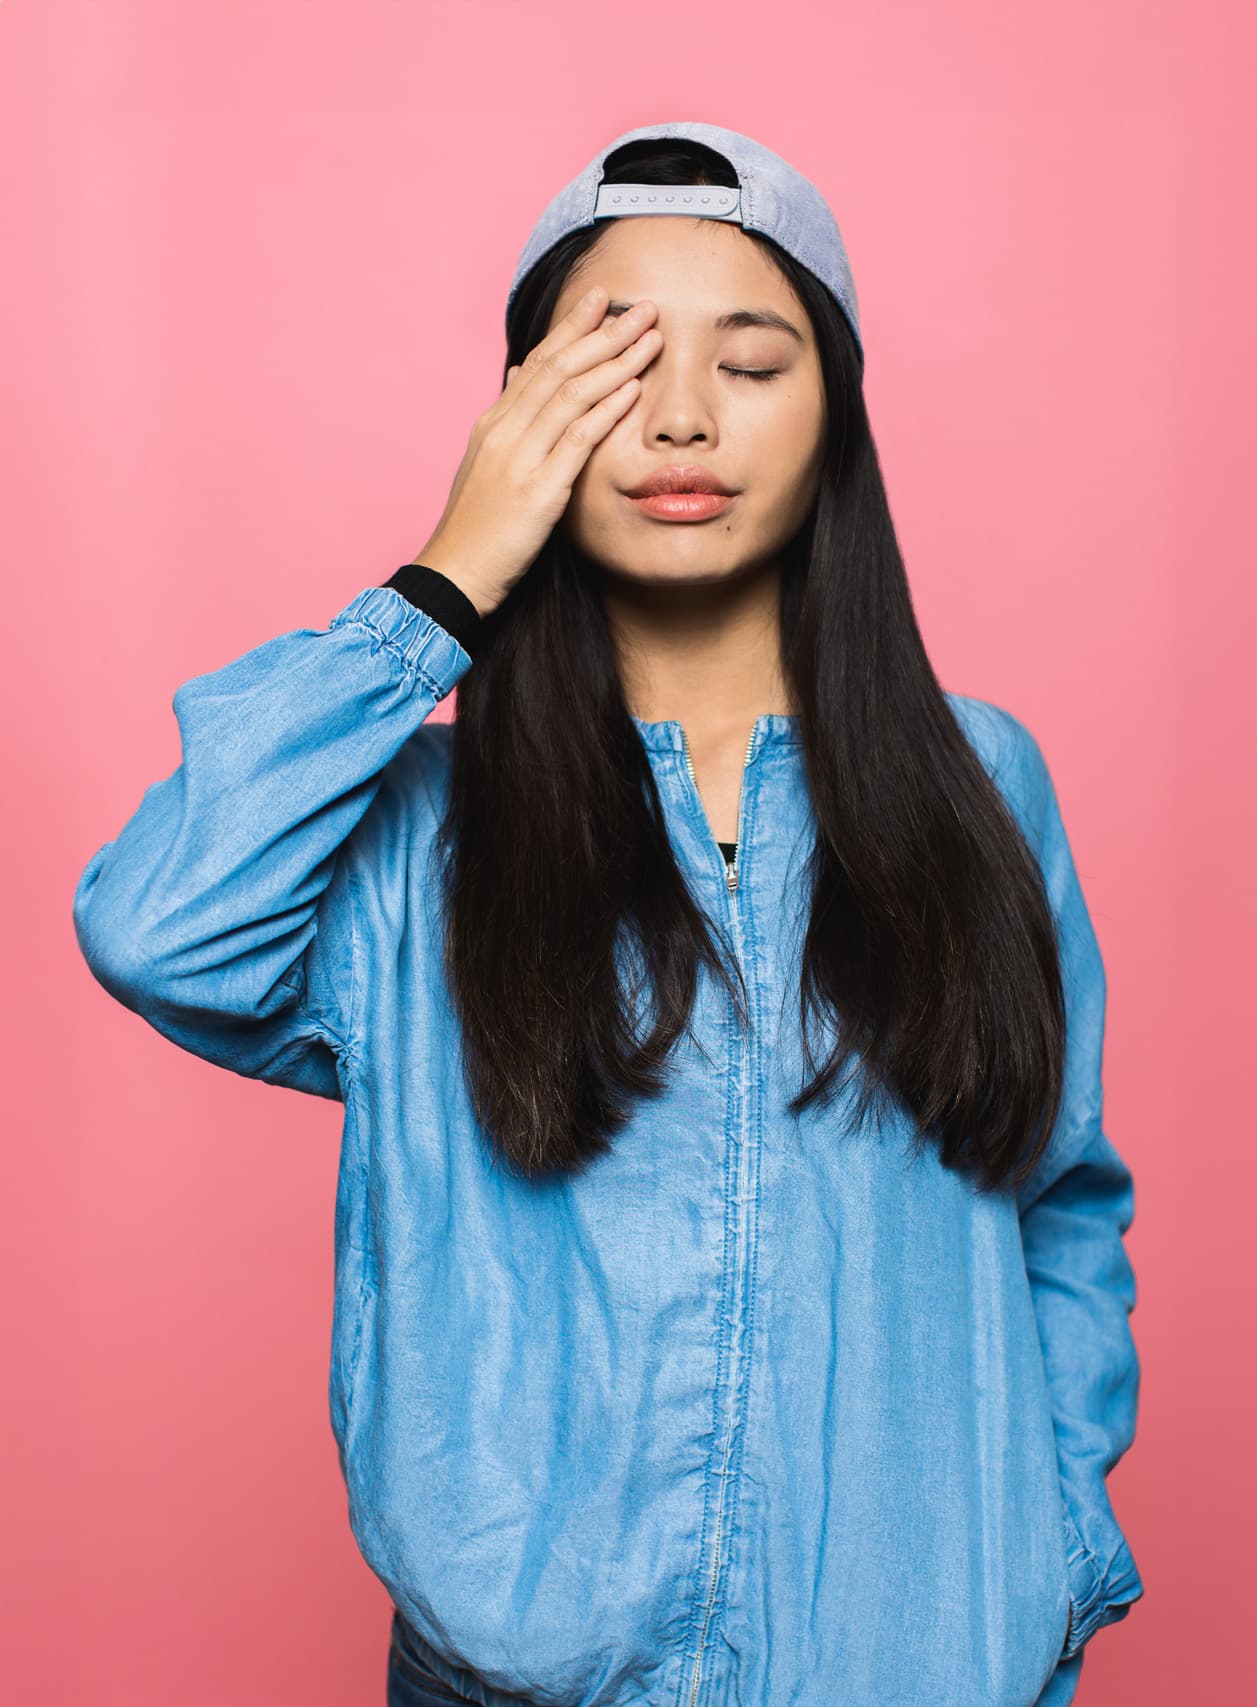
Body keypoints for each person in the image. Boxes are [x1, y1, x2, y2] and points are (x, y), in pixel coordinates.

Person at [71, 120, 1144, 1707]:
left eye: (753, 362)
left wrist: (1051, 1548)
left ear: (836, 413)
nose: (683, 417)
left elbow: (1055, 1188)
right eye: (612, 362)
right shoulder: (408, 827)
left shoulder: (979, 782)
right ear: (523, 420)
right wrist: (442, 585)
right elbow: (159, 927)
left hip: (912, 1664)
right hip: (507, 1679)